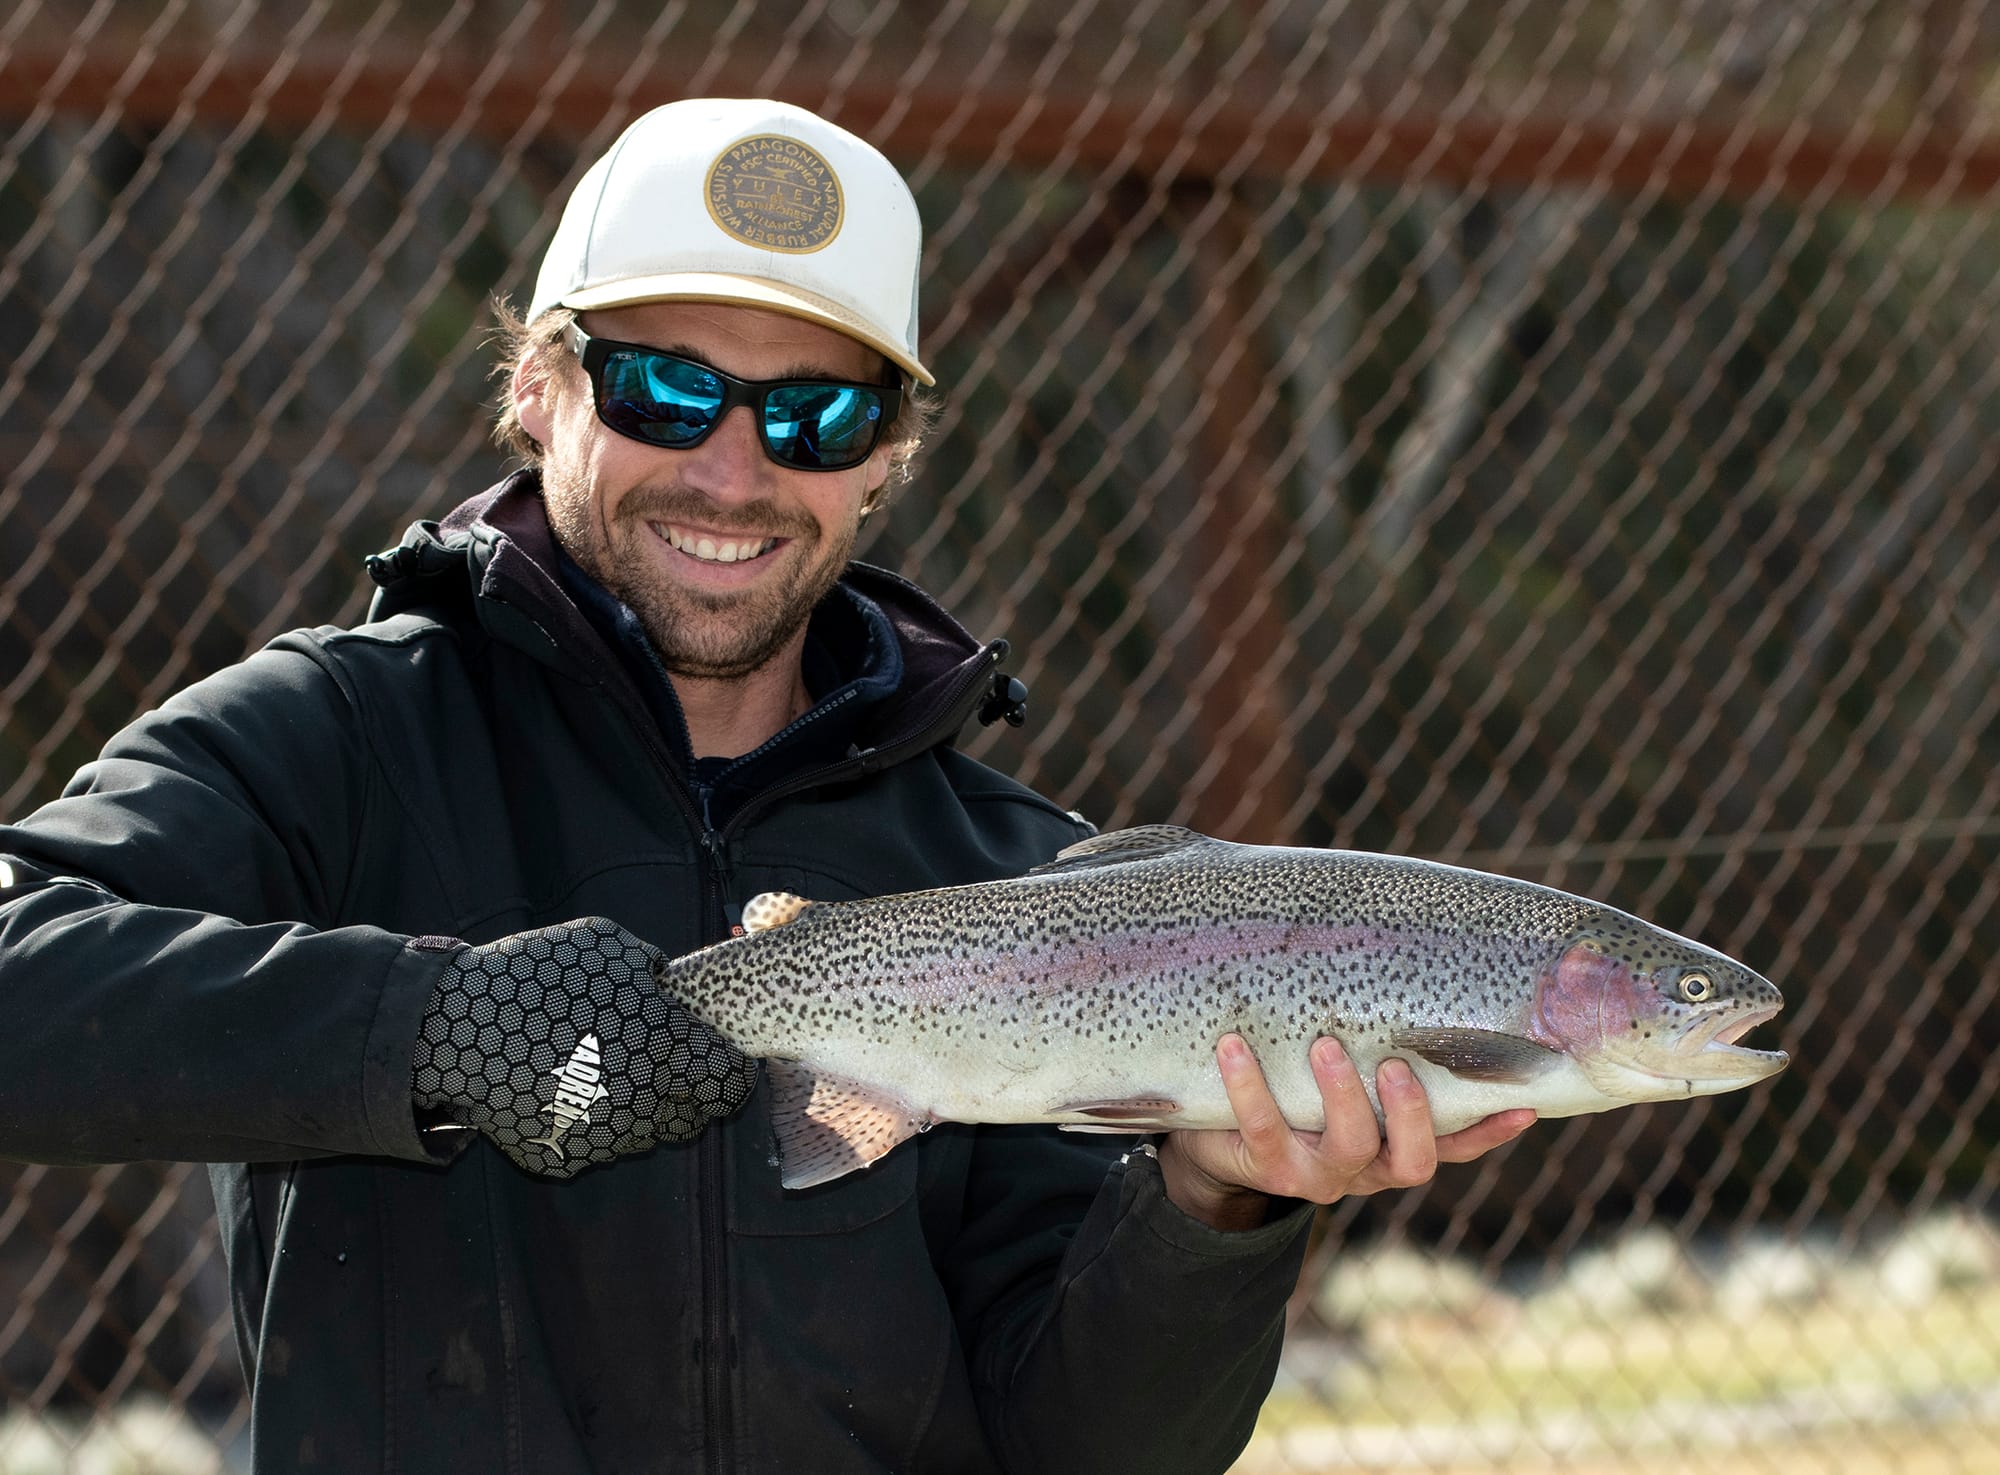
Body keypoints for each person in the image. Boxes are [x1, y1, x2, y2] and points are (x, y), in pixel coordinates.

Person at [0, 98, 1533, 1473]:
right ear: (539, 389)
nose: (734, 473)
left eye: (814, 415)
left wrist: (1221, 1208)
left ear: (888, 458)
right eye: (668, 391)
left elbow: (1086, 1447)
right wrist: (430, 1031)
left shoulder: (1021, 881)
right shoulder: (332, 737)